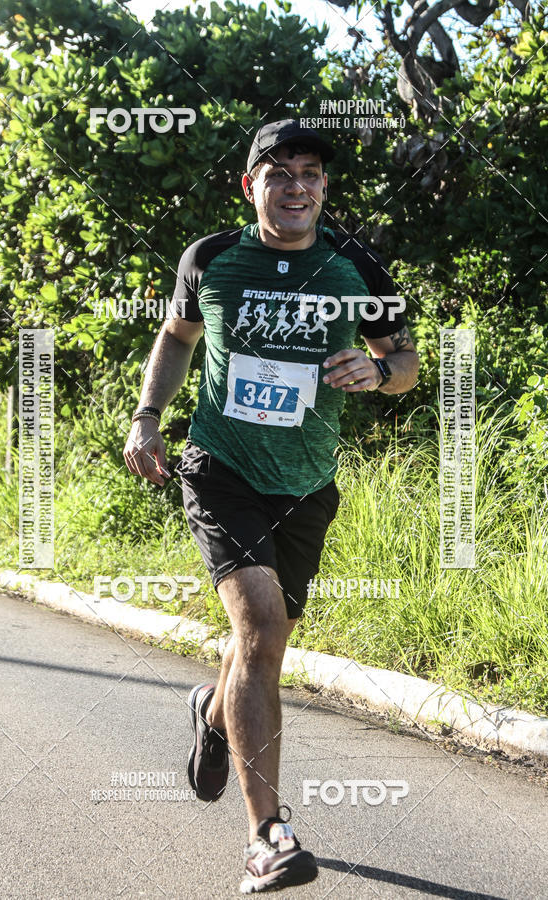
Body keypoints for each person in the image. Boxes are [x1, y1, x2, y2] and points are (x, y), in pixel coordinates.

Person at [123, 118, 419, 893]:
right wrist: (148, 416)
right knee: (257, 626)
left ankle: (211, 710)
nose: (297, 187)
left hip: (307, 483)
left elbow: (406, 361)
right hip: (220, 470)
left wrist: (379, 373)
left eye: (310, 174)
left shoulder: (355, 265)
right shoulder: (212, 258)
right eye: (280, 173)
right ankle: (268, 837)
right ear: (250, 185)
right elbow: (178, 336)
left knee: (265, 643)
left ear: (322, 187)